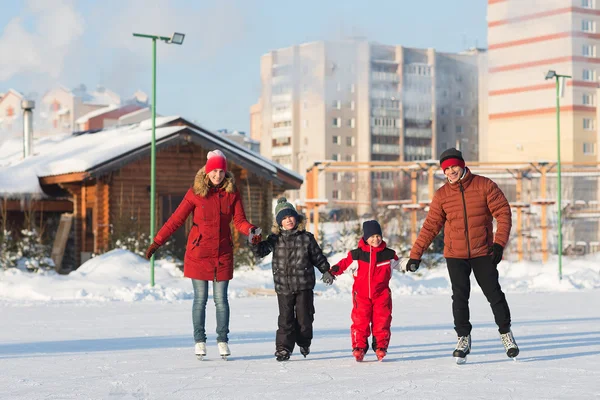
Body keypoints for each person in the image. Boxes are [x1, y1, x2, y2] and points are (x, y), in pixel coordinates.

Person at [145, 150, 261, 360]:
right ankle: (199, 340)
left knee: (221, 300)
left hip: (223, 253)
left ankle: (223, 340)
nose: (218, 175)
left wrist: (251, 230)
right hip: (199, 253)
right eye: (214, 170)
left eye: (221, 171)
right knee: (200, 299)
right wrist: (157, 242)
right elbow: (175, 220)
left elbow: (240, 221)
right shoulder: (195, 193)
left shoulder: (232, 194)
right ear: (207, 172)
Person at [406, 148, 518, 363]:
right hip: (455, 254)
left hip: (482, 251)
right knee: (459, 297)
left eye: (453, 167)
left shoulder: (484, 185)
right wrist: (415, 255)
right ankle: (463, 338)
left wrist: (499, 244)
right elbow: (430, 226)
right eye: (446, 169)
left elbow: (503, 213)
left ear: (462, 165)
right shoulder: (442, 195)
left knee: (493, 293)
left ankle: (506, 334)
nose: (450, 172)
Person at [251, 197, 334, 361]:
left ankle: (304, 342)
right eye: (283, 218)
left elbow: (317, 256)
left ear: (296, 218)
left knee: (305, 318)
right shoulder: (275, 239)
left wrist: (326, 270)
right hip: (284, 286)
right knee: (285, 319)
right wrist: (254, 241)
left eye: (290, 216)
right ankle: (283, 348)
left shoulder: (307, 238)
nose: (288, 220)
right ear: (279, 223)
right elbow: (260, 252)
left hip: (304, 285)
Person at [329, 220, 402, 362]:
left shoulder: (388, 254)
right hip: (361, 295)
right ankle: (359, 347)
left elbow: (399, 263)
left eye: (378, 236)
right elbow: (343, 264)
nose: (376, 239)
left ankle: (381, 346)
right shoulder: (356, 255)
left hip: (382, 295)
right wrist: (331, 272)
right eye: (372, 236)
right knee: (360, 321)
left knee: (382, 320)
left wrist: (410, 264)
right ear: (365, 237)